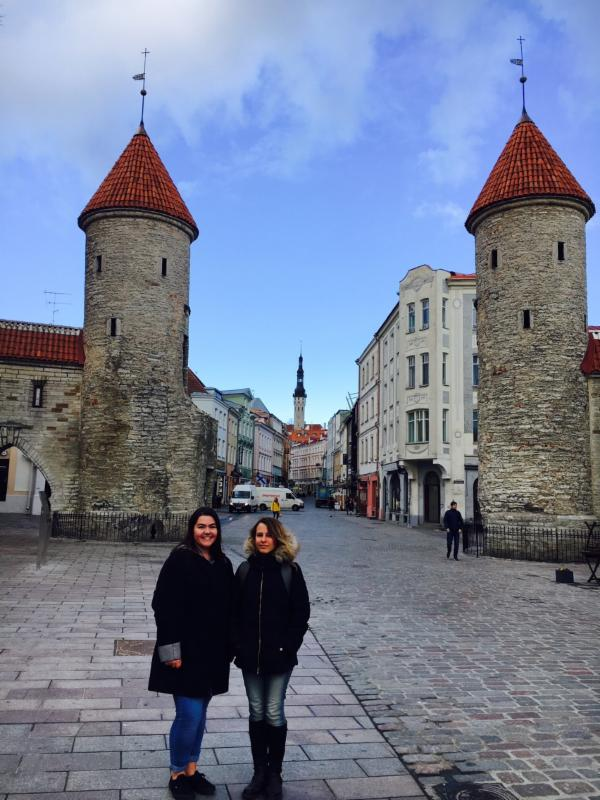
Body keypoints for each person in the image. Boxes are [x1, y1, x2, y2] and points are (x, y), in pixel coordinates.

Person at [148, 508, 234, 799]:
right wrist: (170, 650)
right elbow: (162, 605)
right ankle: (176, 772)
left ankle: (192, 770)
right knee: (188, 715)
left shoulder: (223, 563)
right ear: (192, 529)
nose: (207, 532)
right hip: (184, 653)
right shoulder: (180, 559)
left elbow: (230, 609)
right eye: (201, 526)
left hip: (212, 654)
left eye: (211, 526)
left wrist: (231, 648)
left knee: (200, 715)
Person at [234, 517, 310, 800]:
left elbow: (301, 613)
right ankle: (259, 772)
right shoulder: (244, 570)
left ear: (278, 539)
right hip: (250, 656)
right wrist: (238, 645)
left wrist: (288, 647)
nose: (263, 539)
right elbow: (235, 612)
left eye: (268, 535)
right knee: (256, 711)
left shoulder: (290, 571)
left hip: (279, 656)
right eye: (259, 535)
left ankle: (275, 772)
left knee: (274, 710)